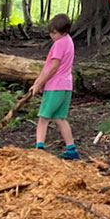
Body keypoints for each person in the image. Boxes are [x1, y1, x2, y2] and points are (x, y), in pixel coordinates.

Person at [29, 13, 79, 160]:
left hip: (55, 86)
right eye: (51, 32)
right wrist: (37, 81)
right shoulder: (69, 41)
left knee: (43, 118)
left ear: (63, 31)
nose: (52, 35)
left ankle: (39, 149)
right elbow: (48, 66)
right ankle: (71, 149)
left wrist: (39, 83)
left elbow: (53, 68)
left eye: (54, 33)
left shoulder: (59, 44)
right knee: (59, 118)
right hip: (66, 86)